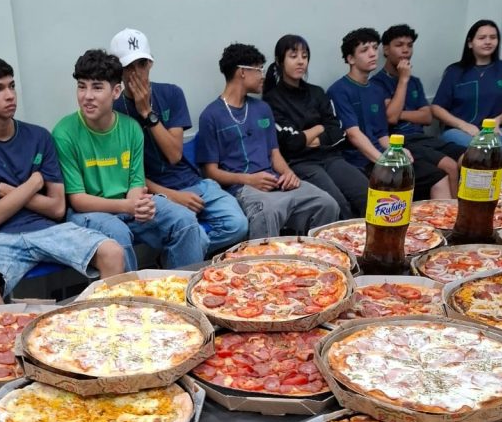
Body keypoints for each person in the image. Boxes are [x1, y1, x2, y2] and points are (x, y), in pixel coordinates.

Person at [0, 56, 124, 308]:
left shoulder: (39, 136)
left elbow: (56, 208)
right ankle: (3, 345)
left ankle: (110, 330)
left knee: (112, 252)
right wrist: (33, 182)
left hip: (49, 229)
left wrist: (1, 189)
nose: (10, 95)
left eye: (11, 86)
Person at [53, 49, 205, 270]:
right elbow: (78, 200)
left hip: (128, 204)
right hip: (89, 212)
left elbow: (136, 182)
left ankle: (181, 291)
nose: (87, 96)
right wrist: (129, 205)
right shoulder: (64, 133)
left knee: (184, 220)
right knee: (118, 235)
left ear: (115, 92)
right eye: (81, 86)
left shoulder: (131, 128)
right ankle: (131, 302)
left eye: (97, 87)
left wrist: (138, 204)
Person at [109, 27, 248, 255]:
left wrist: (148, 114)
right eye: (128, 67)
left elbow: (174, 155)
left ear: (150, 64)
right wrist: (172, 197)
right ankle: (186, 252)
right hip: (151, 193)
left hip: (192, 181)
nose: (136, 74)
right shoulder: (114, 111)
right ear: (118, 71)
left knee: (238, 225)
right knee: (195, 238)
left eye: (141, 65)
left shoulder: (171, 94)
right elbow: (128, 175)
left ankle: (180, 252)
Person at [197, 43, 339, 238]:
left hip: (274, 181)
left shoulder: (262, 109)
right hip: (241, 188)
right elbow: (209, 172)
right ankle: (266, 264)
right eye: (259, 69)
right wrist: (249, 179)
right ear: (242, 72)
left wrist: (289, 174)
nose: (263, 75)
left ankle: (311, 258)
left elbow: (274, 153)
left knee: (326, 202)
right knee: (268, 210)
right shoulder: (211, 116)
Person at [327, 28, 450, 200]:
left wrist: (396, 151)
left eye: (374, 48)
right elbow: (354, 135)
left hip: (381, 156)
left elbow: (382, 135)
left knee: (439, 177)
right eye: (364, 50)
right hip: (358, 161)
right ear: (351, 59)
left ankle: (439, 224)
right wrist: (384, 162)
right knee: (395, 185)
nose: (372, 54)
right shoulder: (339, 90)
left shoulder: (376, 90)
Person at [262, 33, 368, 218]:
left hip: (330, 157)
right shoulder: (272, 100)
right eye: (293, 56)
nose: (300, 62)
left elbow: (337, 131)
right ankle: (344, 245)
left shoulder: (317, 93)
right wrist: (319, 127)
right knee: (337, 203)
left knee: (366, 192)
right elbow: (292, 142)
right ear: (280, 61)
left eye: (304, 56)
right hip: (301, 163)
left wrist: (311, 137)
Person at [371, 24, 461, 196]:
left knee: (469, 159)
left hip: (423, 137)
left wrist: (400, 114)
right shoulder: (377, 83)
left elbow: (427, 117)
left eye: (409, 45)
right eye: (399, 45)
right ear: (386, 50)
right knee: (450, 166)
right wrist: (403, 80)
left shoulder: (415, 81)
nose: (405, 50)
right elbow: (390, 118)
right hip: (402, 141)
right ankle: (455, 216)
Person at [431, 19, 502, 169]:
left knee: (501, 153)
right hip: (460, 131)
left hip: (496, 131)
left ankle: (497, 191)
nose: (488, 42)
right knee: (481, 154)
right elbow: (436, 108)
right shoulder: (455, 71)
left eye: (493, 37)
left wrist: (498, 120)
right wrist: (463, 125)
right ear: (470, 43)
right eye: (482, 38)